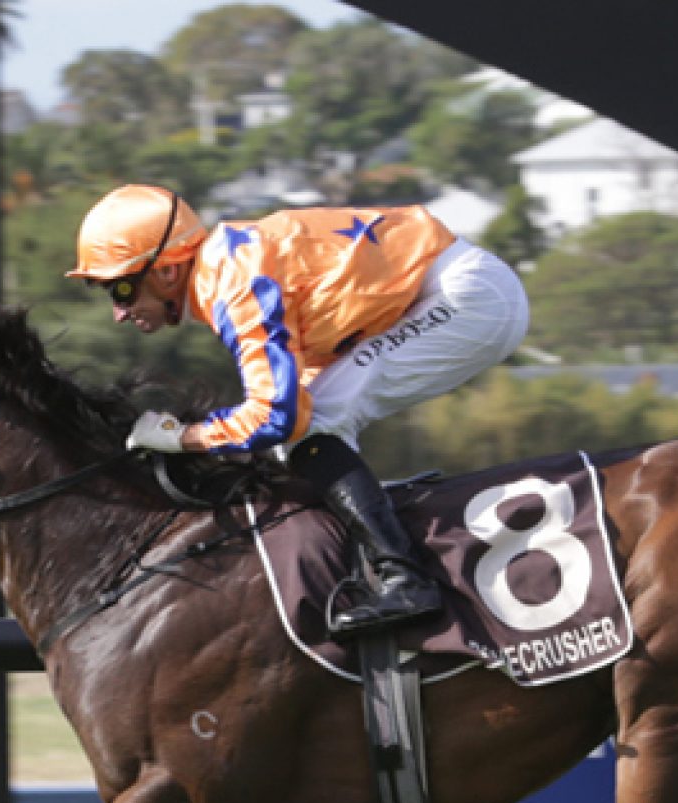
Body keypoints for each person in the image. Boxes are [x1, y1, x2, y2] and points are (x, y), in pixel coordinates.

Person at [66, 183, 531, 640]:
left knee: (310, 427)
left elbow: (277, 417)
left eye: (121, 289)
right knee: (306, 434)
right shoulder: (226, 269)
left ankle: (406, 580)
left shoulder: (234, 282)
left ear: (167, 271)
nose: (119, 313)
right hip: (448, 290)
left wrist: (182, 437)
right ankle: (372, 564)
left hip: (465, 299)